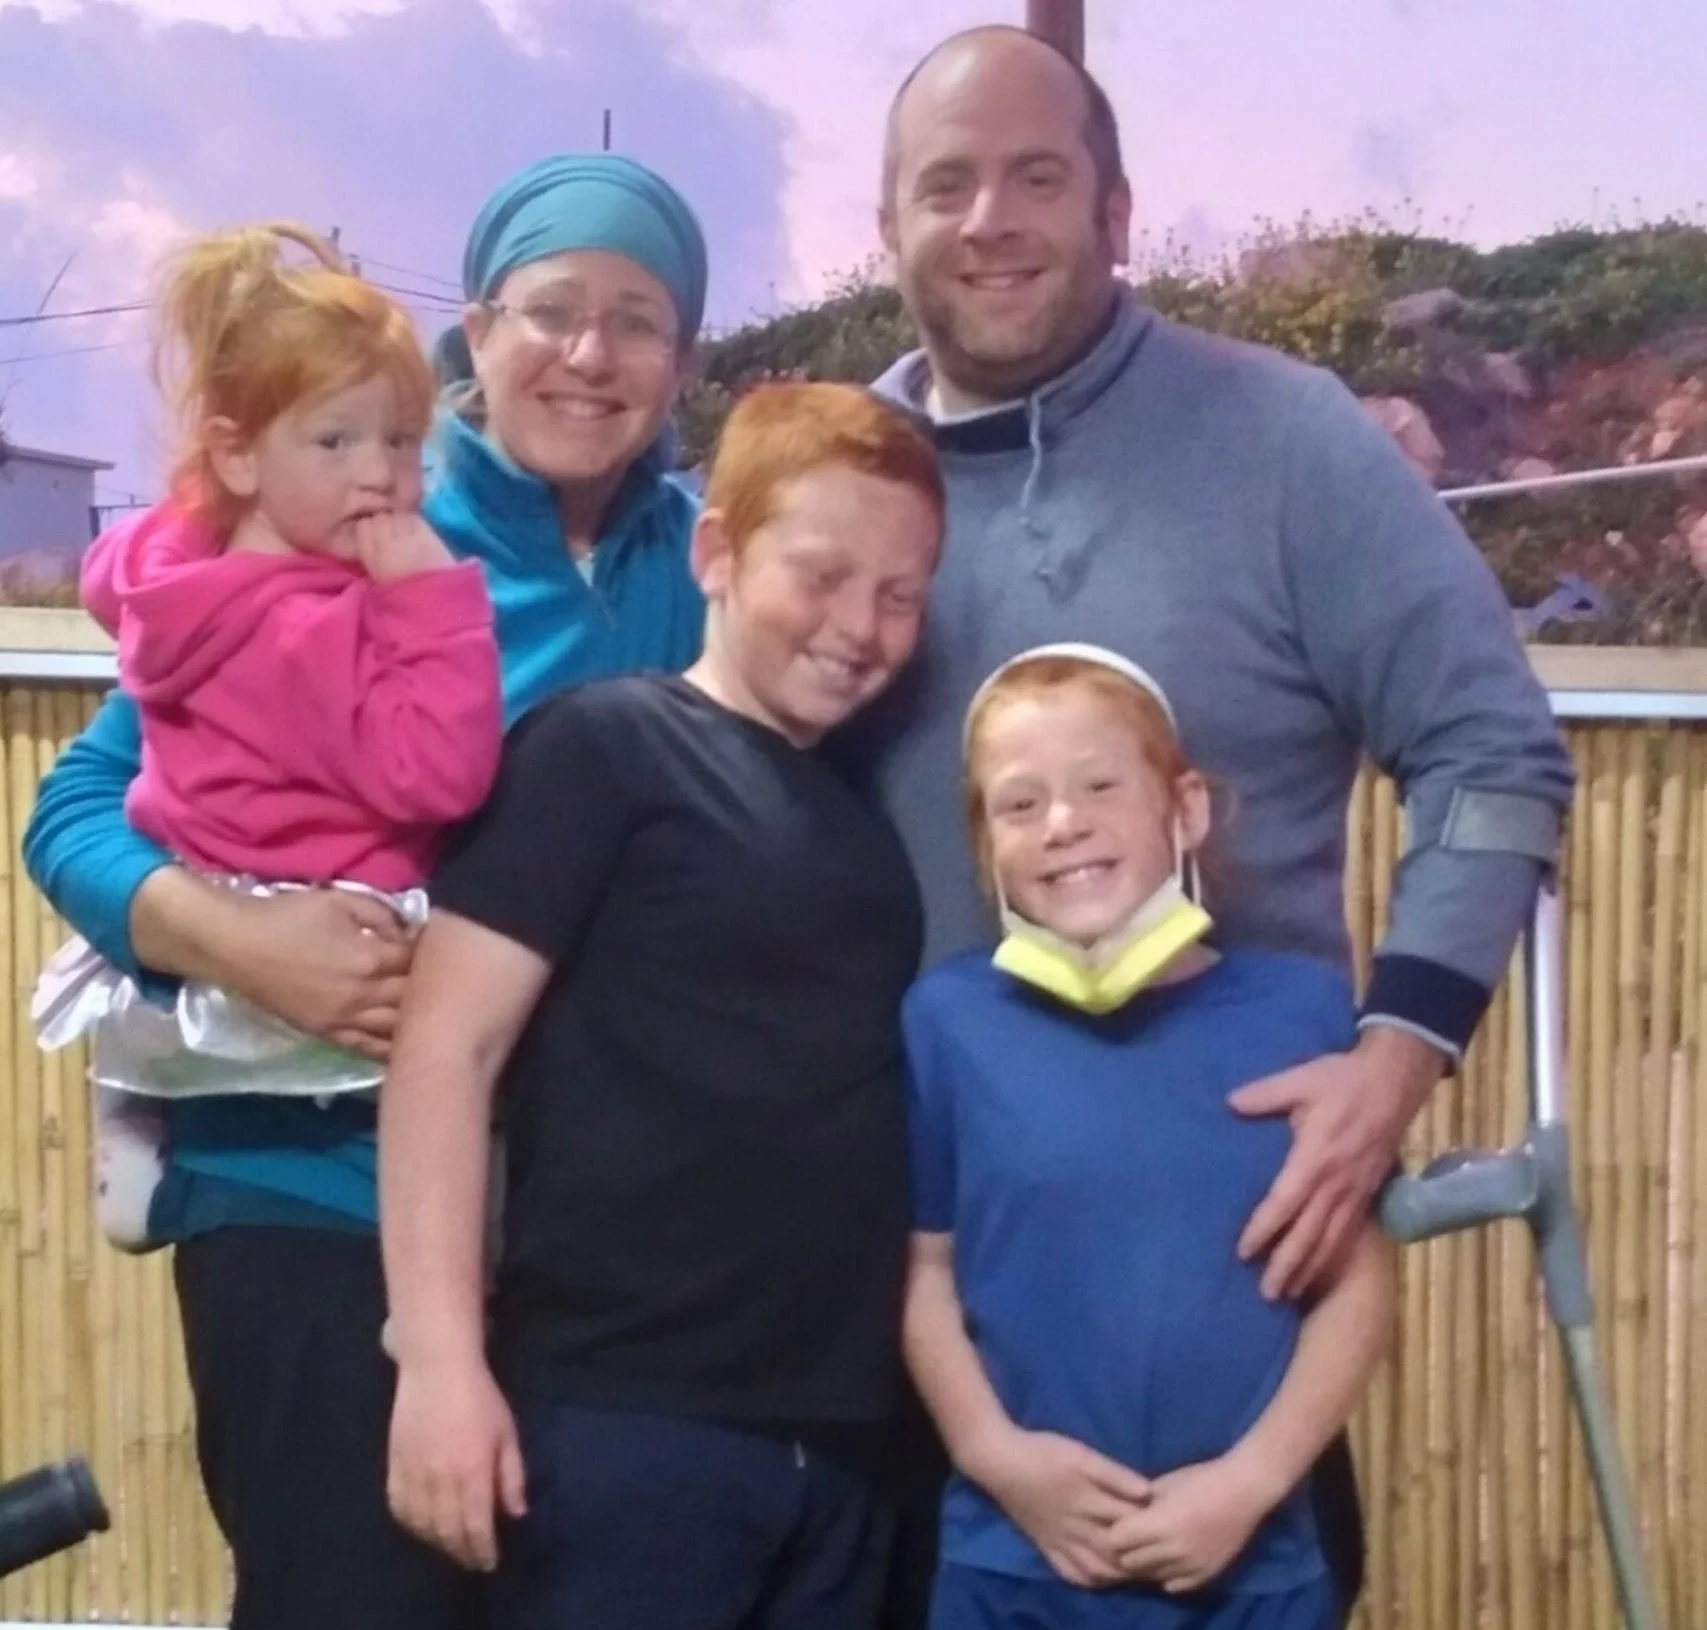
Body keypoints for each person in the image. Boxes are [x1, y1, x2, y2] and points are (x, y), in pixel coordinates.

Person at [855, 24, 1575, 1626]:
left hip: (1230, 1340)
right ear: (885, 224)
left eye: (1037, 178)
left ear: (1116, 209)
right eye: (944, 185)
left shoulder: (1281, 439)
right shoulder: (829, 485)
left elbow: (1490, 753)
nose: (989, 220)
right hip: (906, 1320)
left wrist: (1392, 1056)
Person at [22, 152, 710, 1630]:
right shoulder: (351, 509)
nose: (591, 353)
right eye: (552, 309)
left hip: (580, 1222)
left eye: (639, 319)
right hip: (308, 1185)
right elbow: (75, 808)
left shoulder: (704, 561)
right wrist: (236, 938)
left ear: (685, 355)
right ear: (478, 327)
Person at [380, 380, 945, 1630]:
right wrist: (437, 1360)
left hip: (848, 1438)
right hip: (619, 1423)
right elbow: (445, 1051)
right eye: (823, 574)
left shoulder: (867, 823)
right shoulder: (603, 748)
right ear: (717, 552)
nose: (861, 624)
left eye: (900, 594)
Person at [902, 644, 1395, 1630]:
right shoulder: (947, 1020)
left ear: (1186, 808)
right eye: (1020, 803)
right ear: (983, 840)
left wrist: (1251, 1481)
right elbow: (925, 1276)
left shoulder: (1301, 1013)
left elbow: (1359, 1284)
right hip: (1014, 1562)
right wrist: (995, 1456)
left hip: (1251, 1568)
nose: (1064, 823)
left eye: (1098, 785)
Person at [32, 222, 503, 1252]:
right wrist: (433, 604)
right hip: (318, 952)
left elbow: (144, 542)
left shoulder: (180, 573)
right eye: (336, 443)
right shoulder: (308, 626)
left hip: (205, 880)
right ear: (239, 456)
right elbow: (439, 771)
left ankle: (135, 1127)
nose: (379, 475)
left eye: (400, 446)